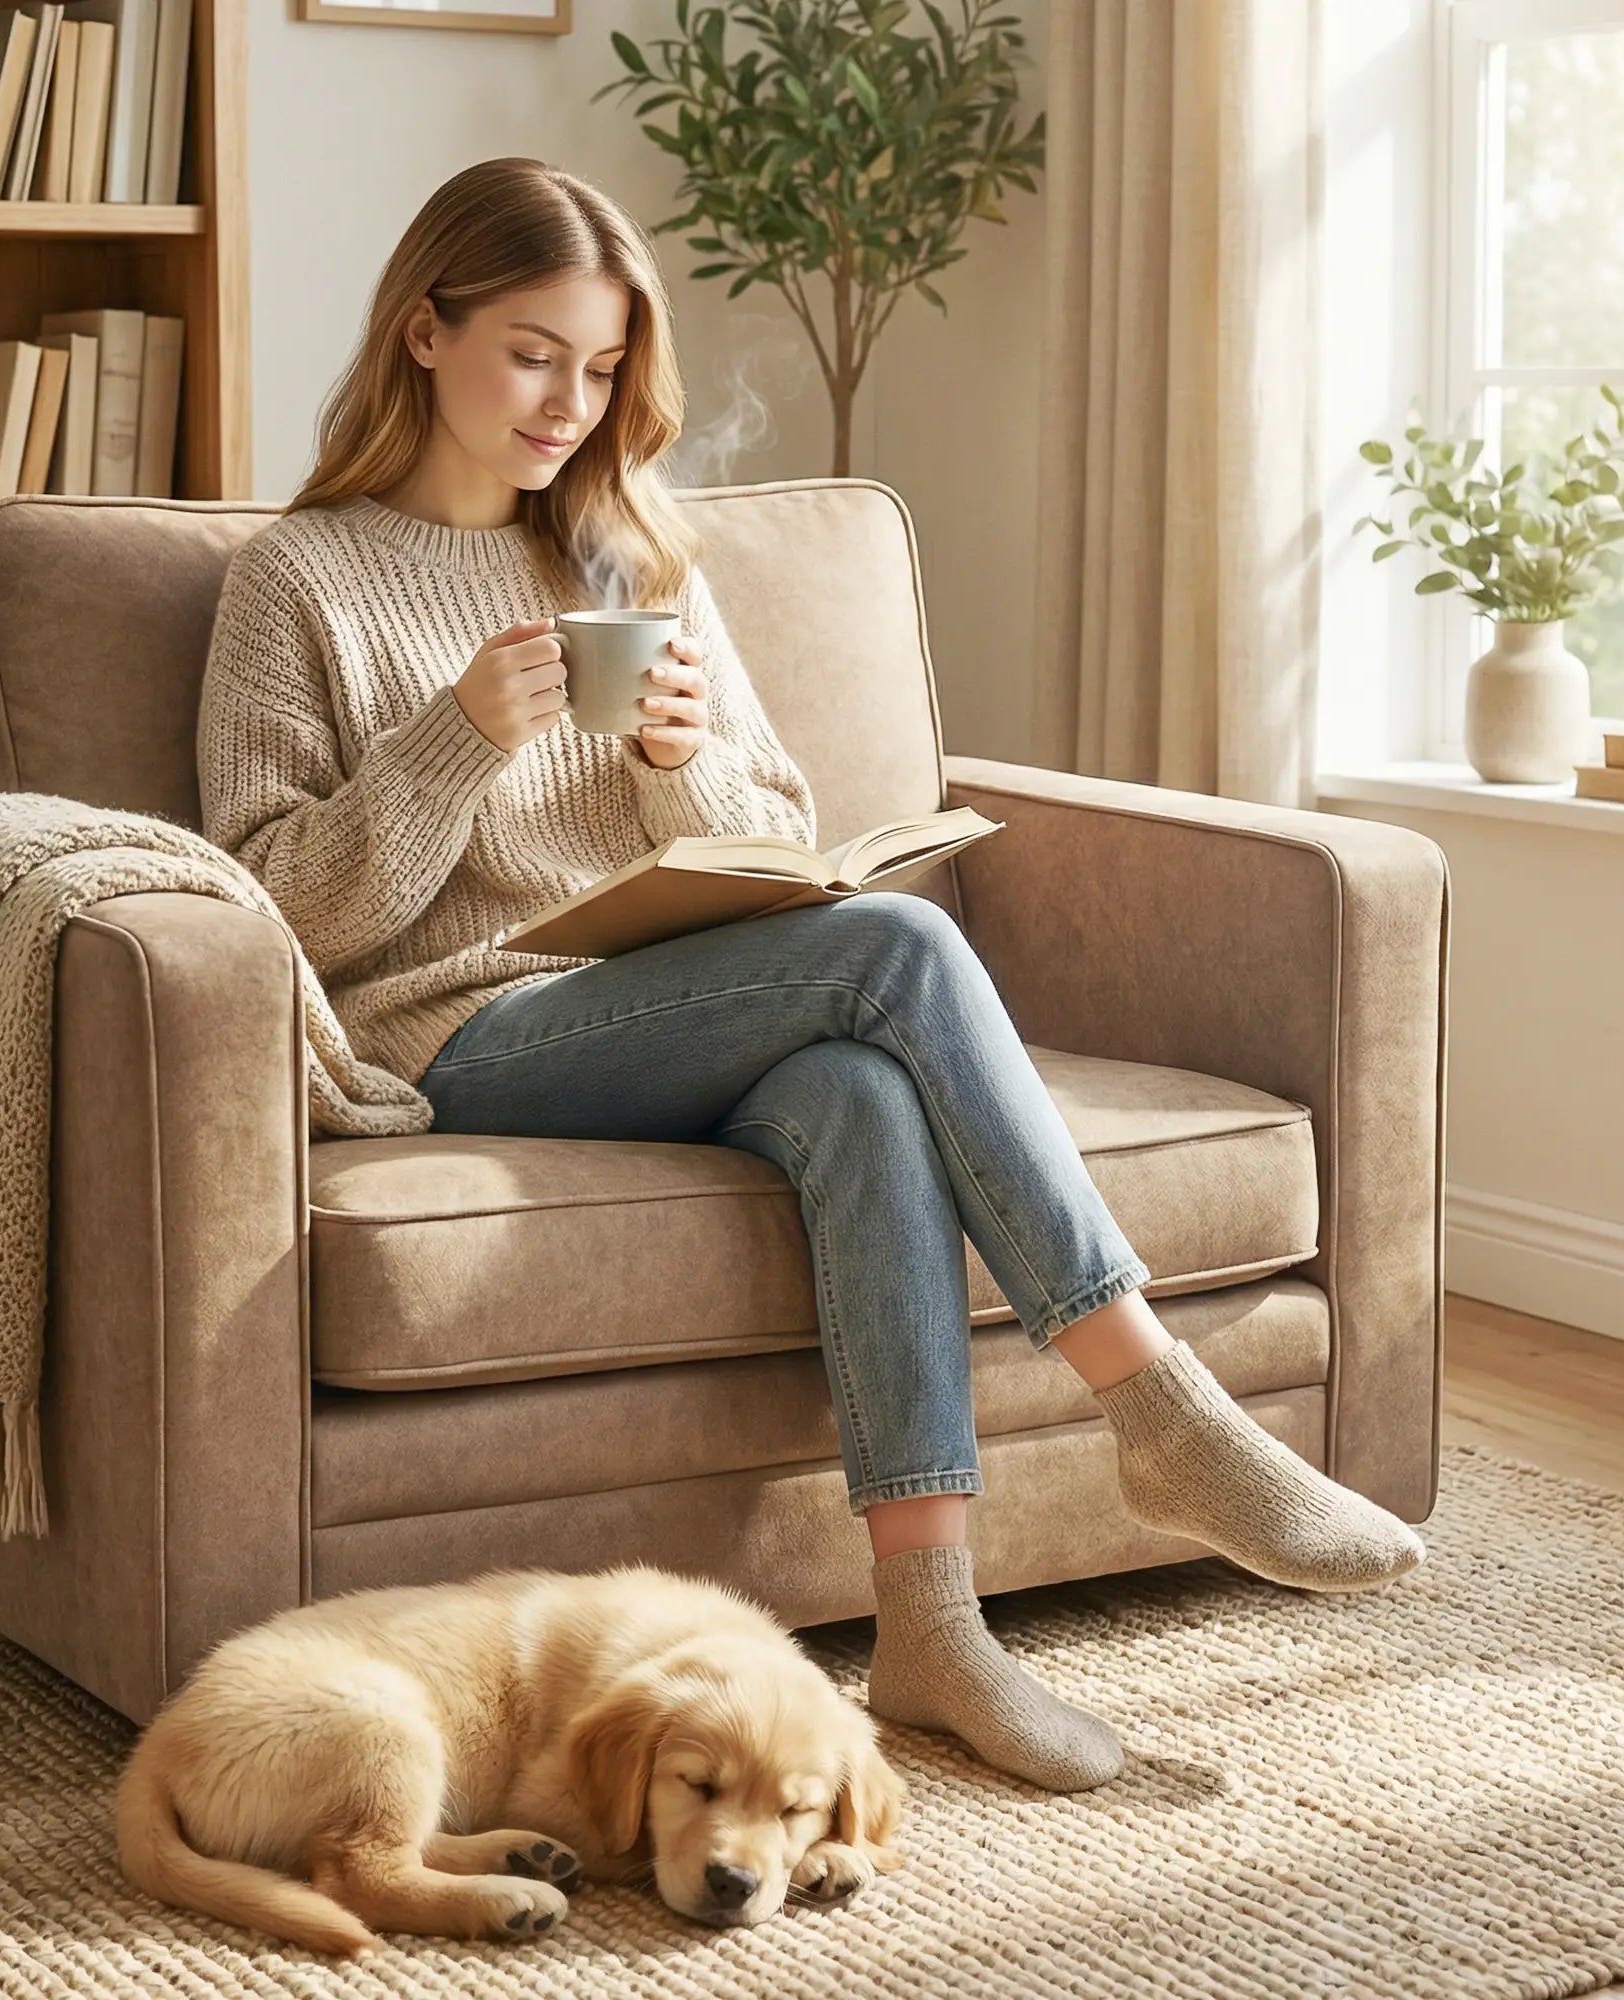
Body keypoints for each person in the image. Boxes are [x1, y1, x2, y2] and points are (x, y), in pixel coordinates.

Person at [195, 157, 1425, 1795]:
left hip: (677, 992)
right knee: (904, 943)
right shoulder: (301, 581)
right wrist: (451, 743)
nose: (575, 401)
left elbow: (774, 826)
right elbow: (269, 902)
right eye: (534, 353)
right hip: (459, 1033)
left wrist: (676, 762)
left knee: (858, 1091)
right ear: (424, 331)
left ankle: (929, 1628)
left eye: (607, 363)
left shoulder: (633, 553)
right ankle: (1165, 1414)